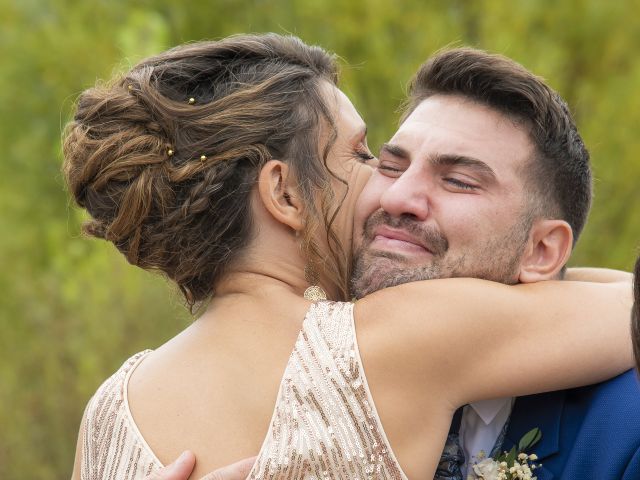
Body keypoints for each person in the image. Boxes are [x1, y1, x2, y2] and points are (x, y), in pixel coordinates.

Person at [64, 35, 633, 480]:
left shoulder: (111, 407)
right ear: (285, 194)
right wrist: (531, 272)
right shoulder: (395, 339)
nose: (390, 193)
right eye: (366, 156)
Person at [350, 49, 640, 480]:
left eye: (458, 181)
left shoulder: (626, 433)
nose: (396, 199)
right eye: (391, 167)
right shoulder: (288, 378)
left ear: (541, 250)